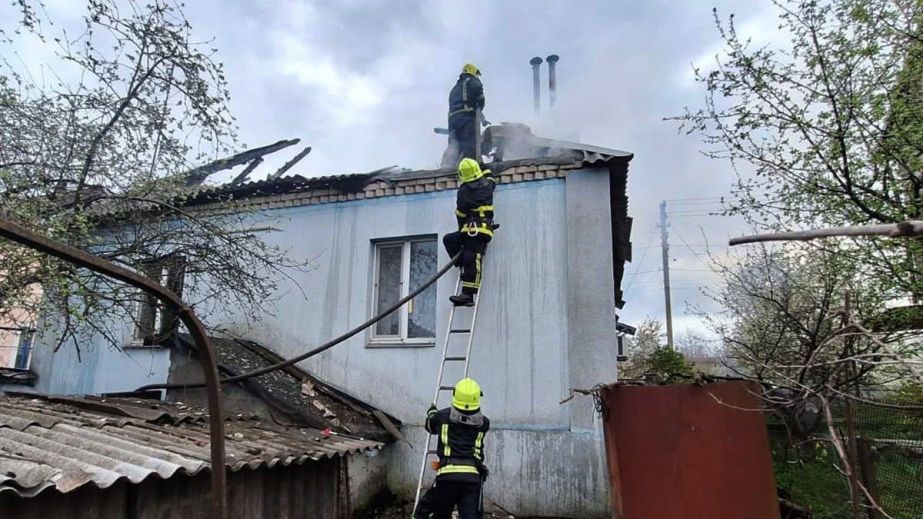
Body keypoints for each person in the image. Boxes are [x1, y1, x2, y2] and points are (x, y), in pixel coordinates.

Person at [422, 377, 490, 519]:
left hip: (447, 476)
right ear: (478, 397)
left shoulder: (442, 417)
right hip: (472, 478)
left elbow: (430, 426)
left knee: (439, 514)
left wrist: (432, 413)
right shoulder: (484, 423)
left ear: (455, 395)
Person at [442, 158, 496, 306]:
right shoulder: (487, 185)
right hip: (478, 231)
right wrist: (485, 167)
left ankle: (468, 295)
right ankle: (461, 262)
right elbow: (491, 178)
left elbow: (460, 214)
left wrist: (462, 230)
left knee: (471, 258)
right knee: (449, 240)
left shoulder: (464, 191)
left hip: (475, 232)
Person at [442, 63, 485, 167]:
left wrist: (482, 118)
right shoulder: (473, 81)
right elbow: (480, 99)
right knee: (470, 145)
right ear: (473, 72)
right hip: (466, 119)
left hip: (452, 121)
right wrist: (481, 107)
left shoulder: (454, 88)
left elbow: (462, 103)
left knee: (454, 145)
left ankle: (447, 168)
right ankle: (470, 167)